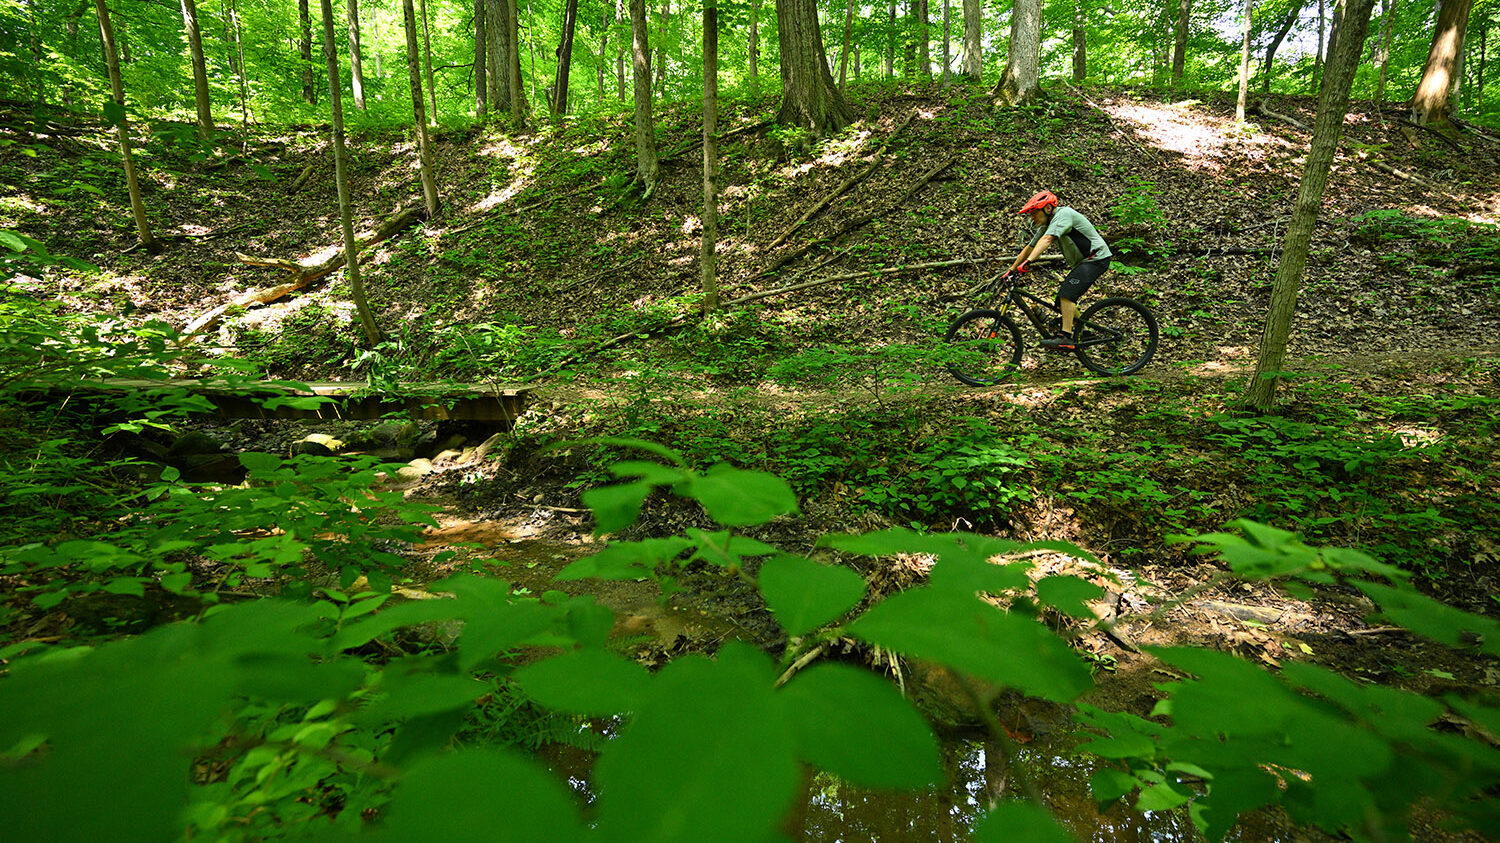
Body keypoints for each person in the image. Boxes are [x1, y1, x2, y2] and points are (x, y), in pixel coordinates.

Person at [1003, 190, 1112, 350]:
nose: (1032, 217)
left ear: (1047, 209)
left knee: (1066, 296)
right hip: (1085, 263)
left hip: (1097, 258)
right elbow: (1030, 247)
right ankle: (1084, 332)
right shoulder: (1048, 224)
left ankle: (1066, 337)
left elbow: (1047, 239)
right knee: (1061, 302)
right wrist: (1011, 270)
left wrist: (1028, 262)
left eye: (1034, 213)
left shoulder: (1064, 214)